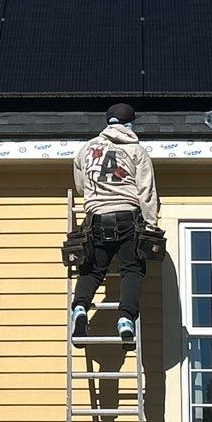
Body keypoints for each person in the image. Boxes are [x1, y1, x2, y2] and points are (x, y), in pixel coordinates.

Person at [69, 103, 159, 346]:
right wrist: (150, 226)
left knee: (93, 270)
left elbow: (80, 187)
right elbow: (146, 192)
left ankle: (79, 308)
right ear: (129, 125)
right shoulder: (136, 151)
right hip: (128, 218)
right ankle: (126, 318)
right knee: (132, 268)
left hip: (96, 219)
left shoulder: (85, 150)